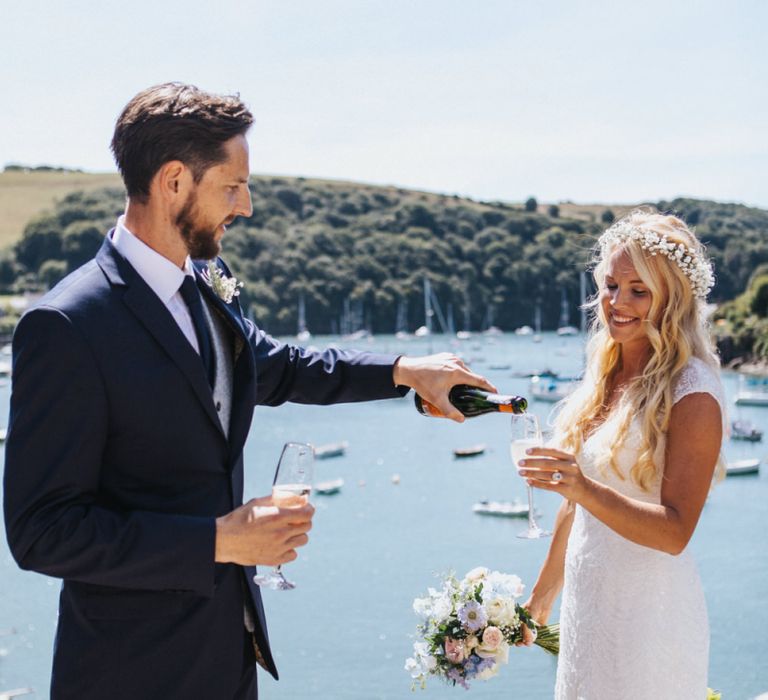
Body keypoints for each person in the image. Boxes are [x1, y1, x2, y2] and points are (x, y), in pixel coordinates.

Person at [2, 82, 493, 700]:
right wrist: (218, 540)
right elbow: (42, 531)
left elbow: (278, 366)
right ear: (174, 181)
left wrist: (402, 370)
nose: (248, 205)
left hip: (228, 655)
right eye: (232, 186)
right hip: (129, 671)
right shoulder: (67, 326)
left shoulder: (209, 280)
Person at [516, 209, 724, 699]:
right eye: (610, 286)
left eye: (638, 290)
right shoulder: (606, 371)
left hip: (650, 617)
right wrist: (543, 596)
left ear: (671, 299)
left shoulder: (692, 392)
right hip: (588, 609)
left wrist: (582, 487)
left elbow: (675, 532)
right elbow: (576, 503)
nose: (617, 302)